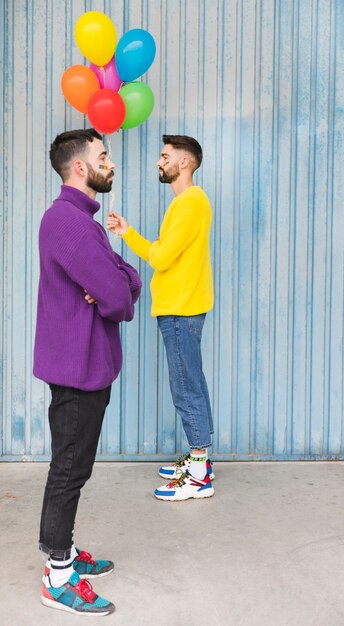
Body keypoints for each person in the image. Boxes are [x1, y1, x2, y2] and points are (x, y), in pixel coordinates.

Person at [33, 128, 142, 615]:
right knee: (68, 471)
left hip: (87, 366)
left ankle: (65, 554)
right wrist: (117, 284)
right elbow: (120, 297)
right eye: (104, 156)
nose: (110, 163)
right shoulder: (68, 223)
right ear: (81, 167)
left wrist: (118, 280)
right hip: (77, 370)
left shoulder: (83, 221)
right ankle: (58, 576)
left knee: (74, 467)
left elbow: (127, 281)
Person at [107, 134, 215, 502]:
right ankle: (200, 460)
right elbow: (166, 252)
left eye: (165, 156)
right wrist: (128, 233)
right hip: (181, 307)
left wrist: (129, 235)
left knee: (185, 386)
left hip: (180, 309)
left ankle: (199, 473)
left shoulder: (190, 202)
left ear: (184, 162)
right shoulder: (187, 203)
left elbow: (161, 257)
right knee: (192, 382)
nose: (159, 162)